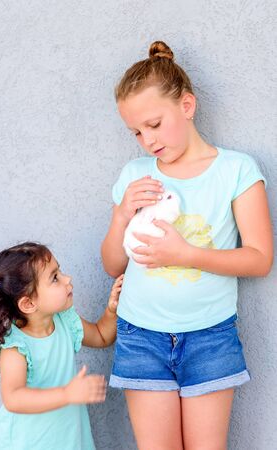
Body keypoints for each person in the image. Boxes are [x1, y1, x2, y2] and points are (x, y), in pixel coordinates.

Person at [101, 41, 273, 450]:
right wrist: (123, 213)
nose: (147, 140)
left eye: (155, 124)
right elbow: (112, 264)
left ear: (187, 106)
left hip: (210, 337)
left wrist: (185, 254)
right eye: (137, 131)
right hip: (141, 335)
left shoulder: (236, 169)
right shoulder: (134, 175)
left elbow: (260, 258)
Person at [0, 242, 123, 450]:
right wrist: (67, 394)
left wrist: (112, 310)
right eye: (55, 277)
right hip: (26, 443)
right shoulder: (15, 348)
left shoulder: (65, 321)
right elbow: (13, 398)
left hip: (68, 439)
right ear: (28, 304)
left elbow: (102, 336)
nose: (68, 279)